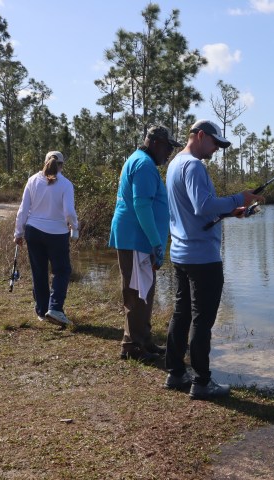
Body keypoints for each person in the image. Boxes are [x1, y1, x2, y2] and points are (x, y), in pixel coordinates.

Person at [164, 119, 264, 399]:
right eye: (214, 143)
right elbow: (202, 206)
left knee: (181, 313)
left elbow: (196, 211)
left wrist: (230, 212)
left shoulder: (175, 164)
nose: (216, 149)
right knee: (201, 320)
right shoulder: (194, 166)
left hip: (181, 253)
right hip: (202, 258)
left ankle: (174, 373)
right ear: (198, 135)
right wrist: (237, 198)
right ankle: (202, 381)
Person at [109, 125, 182, 363]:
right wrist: (155, 243)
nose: (170, 152)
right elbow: (141, 206)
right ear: (155, 143)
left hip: (135, 237)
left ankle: (144, 340)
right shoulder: (144, 165)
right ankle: (133, 346)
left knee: (144, 291)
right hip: (137, 239)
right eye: (168, 147)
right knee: (137, 293)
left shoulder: (139, 160)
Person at [14, 151, 78, 328]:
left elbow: (23, 209)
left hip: (33, 231)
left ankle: (42, 311)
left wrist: (18, 233)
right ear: (62, 165)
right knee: (62, 270)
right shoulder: (66, 184)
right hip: (57, 233)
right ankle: (55, 308)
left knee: (39, 271)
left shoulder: (33, 180)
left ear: (45, 162)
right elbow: (69, 212)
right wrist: (75, 226)